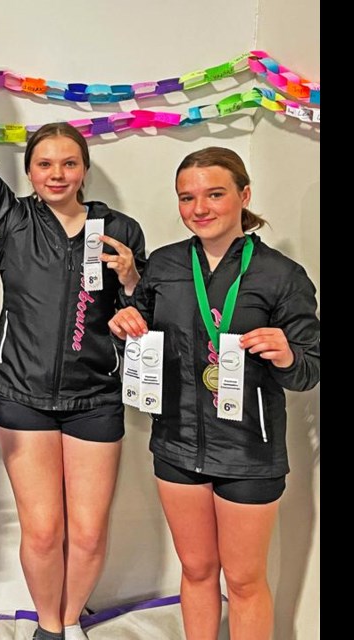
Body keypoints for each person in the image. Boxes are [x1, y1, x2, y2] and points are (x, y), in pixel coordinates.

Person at [0, 3, 147, 638]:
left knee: (88, 530)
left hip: (95, 395)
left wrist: (133, 289)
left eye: (68, 163)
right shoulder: (10, 222)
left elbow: (137, 317)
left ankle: (67, 620)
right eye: (44, 164)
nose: (57, 173)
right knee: (43, 528)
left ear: (83, 168)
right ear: (30, 173)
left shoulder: (119, 230)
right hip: (22, 394)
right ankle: (49, 627)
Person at [109, 146, 319, 640]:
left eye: (215, 194)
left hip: (250, 451)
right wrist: (125, 321)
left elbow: (310, 370)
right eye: (187, 197)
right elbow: (139, 330)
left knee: (244, 582)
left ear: (244, 196)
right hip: (177, 443)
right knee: (197, 571)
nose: (199, 208)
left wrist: (288, 355)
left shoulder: (282, 276)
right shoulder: (162, 265)